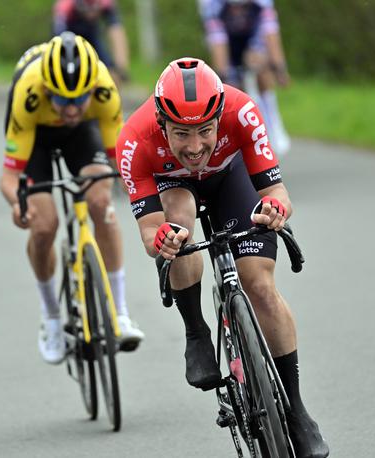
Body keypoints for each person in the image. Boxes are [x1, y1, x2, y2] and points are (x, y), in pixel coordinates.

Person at [115, 57, 329, 457]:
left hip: (230, 178)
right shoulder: (133, 140)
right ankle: (196, 330)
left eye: (205, 131)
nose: (195, 147)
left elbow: (276, 193)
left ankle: (297, 410)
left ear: (220, 117)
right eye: (181, 134)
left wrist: (275, 211)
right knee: (178, 224)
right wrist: (162, 237)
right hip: (173, 187)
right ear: (162, 125)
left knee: (261, 287)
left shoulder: (243, 110)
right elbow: (150, 232)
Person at [0, 32, 144, 364]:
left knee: (101, 204)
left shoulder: (103, 88)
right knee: (44, 226)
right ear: (48, 90)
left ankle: (120, 313)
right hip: (35, 136)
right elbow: (8, 179)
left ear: (92, 88)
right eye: (62, 101)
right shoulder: (29, 93)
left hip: (83, 136)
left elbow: (122, 162)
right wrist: (18, 205)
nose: (73, 108)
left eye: (81, 99)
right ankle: (51, 317)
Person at [198, 0, 291, 155]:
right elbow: (218, 46)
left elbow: (271, 36)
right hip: (226, 38)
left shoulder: (261, 5)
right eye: (234, 8)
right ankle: (233, 137)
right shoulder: (212, 6)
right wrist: (223, 78)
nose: (238, 13)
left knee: (262, 69)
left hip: (252, 36)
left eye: (242, 8)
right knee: (231, 86)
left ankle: (273, 123)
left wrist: (280, 70)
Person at [53, 0, 130, 85]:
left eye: (94, 10)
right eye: (86, 10)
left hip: (91, 34)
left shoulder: (106, 3)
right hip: (69, 33)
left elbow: (116, 32)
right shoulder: (66, 5)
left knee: (110, 70)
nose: (91, 14)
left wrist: (121, 66)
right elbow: (57, 35)